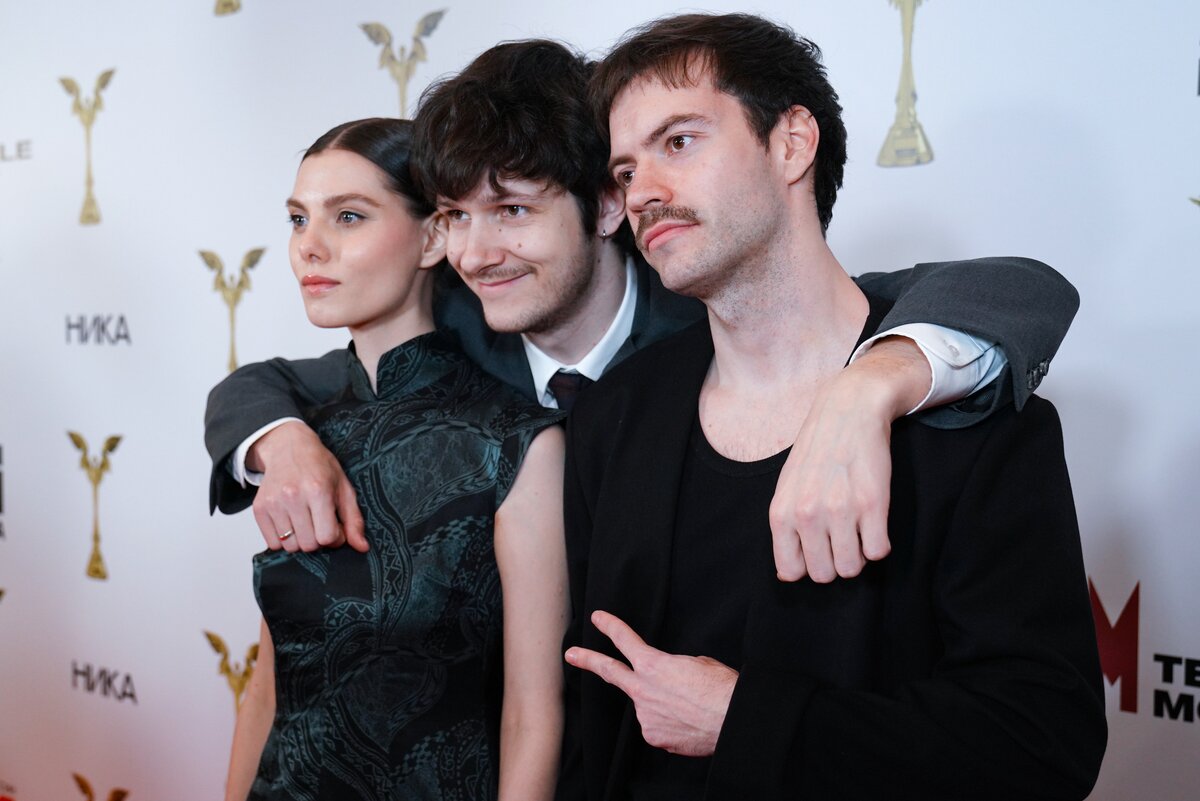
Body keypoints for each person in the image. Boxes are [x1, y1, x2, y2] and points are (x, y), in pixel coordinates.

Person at [204, 40, 1080, 587]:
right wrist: (283, 444)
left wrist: (868, 386)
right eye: (455, 217)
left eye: (512, 211)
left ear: (605, 206)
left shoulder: (709, 314)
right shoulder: (460, 332)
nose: (475, 254)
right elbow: (269, 383)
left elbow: (1014, 291)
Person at [559, 13, 1105, 800]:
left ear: (792, 143)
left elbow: (1042, 741)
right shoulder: (615, 416)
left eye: (678, 141)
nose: (642, 191)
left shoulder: (970, 419)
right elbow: (592, 728)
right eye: (624, 169)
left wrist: (746, 719)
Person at [224, 118, 567, 801]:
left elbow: (532, 716)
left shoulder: (515, 442)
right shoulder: (299, 436)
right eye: (298, 219)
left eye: (348, 216)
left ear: (434, 237)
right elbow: (268, 687)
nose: (309, 246)